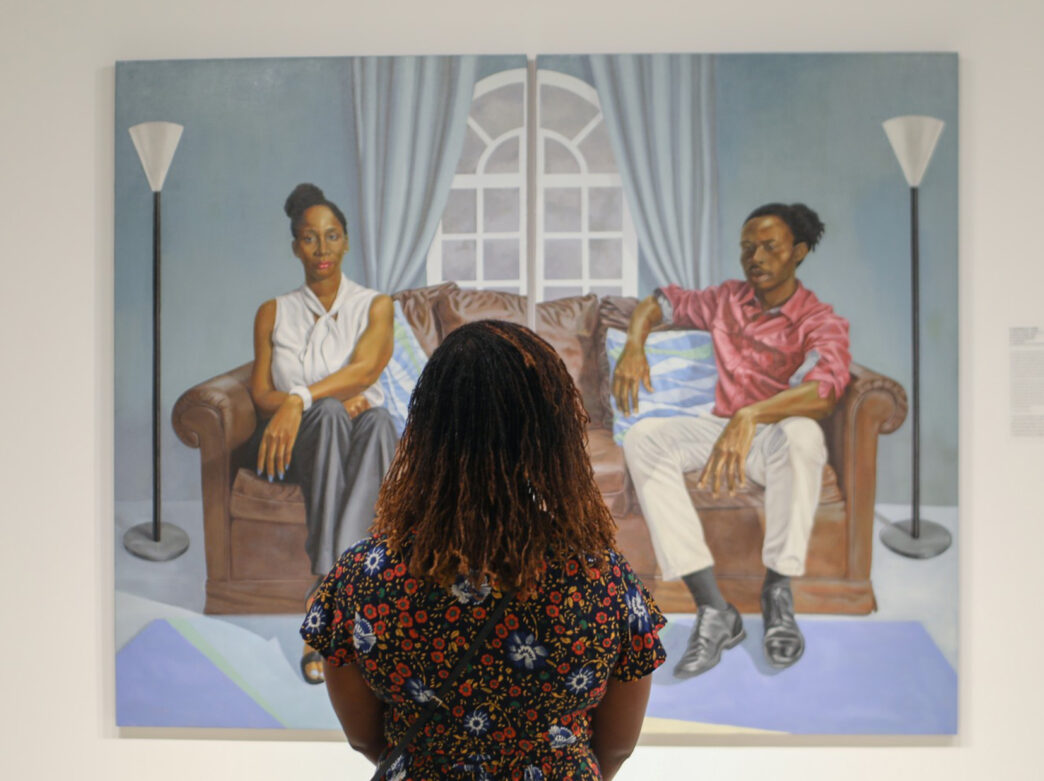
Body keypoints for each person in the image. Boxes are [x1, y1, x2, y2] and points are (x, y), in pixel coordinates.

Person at [301, 320, 666, 780]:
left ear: (426, 428)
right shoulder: (603, 579)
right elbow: (616, 747)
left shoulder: (363, 575)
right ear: (551, 435)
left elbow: (364, 738)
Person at [612, 203, 850, 678]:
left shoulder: (818, 319)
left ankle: (777, 593)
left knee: (805, 436)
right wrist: (634, 344)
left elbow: (824, 392)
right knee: (643, 438)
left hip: (775, 433)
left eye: (769, 247)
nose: (754, 257)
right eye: (747, 248)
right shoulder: (725, 299)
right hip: (720, 429)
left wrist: (753, 413)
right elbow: (659, 301)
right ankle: (714, 608)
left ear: (798, 252)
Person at [250, 183, 397, 685]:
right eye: (309, 238)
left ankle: (328, 590)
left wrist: (299, 397)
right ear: (296, 246)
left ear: (347, 242)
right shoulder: (273, 311)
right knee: (332, 413)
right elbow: (261, 393)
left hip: (361, 432)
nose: (322, 248)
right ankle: (354, 600)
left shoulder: (375, 305)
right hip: (300, 446)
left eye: (332, 236)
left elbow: (366, 370)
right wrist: (303, 404)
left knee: (379, 421)